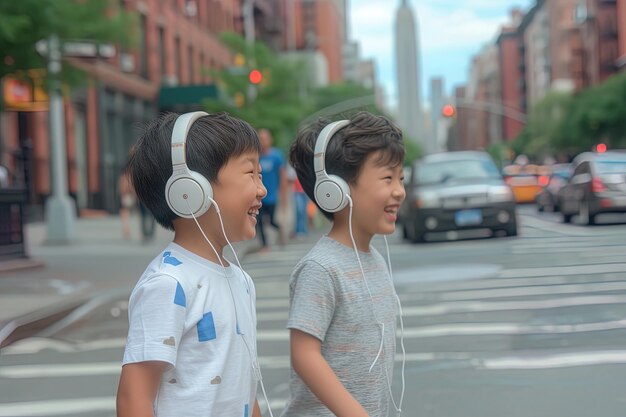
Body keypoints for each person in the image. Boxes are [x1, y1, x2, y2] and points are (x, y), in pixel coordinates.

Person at [116, 112, 267, 417]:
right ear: (191, 189)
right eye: (250, 173)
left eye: (260, 175)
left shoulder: (241, 280)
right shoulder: (168, 283)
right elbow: (134, 397)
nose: (262, 189)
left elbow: (243, 386)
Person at [281, 112, 407, 417]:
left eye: (401, 179)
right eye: (387, 178)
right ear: (334, 190)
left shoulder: (374, 259)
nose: (399, 191)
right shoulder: (321, 268)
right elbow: (304, 355)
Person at [257, 128, 287, 250]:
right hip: (258, 196)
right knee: (259, 222)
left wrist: (283, 194)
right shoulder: (256, 156)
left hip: (272, 196)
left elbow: (283, 176)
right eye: (260, 139)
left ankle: (280, 230)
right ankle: (264, 245)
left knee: (271, 221)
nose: (262, 141)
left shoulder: (276, 156)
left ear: (270, 140)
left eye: (264, 139)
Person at [118, 165, 136, 239]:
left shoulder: (123, 178)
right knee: (126, 214)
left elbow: (121, 189)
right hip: (127, 197)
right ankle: (126, 230)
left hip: (124, 197)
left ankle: (126, 230)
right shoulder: (128, 178)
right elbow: (130, 189)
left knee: (125, 215)